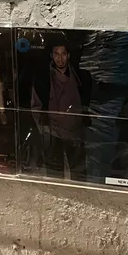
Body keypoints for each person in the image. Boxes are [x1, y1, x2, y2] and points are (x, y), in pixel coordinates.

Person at [31, 39, 91, 180]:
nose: (60, 58)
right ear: (51, 56)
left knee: (79, 174)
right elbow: (36, 106)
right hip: (53, 133)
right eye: (56, 54)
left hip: (75, 132)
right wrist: (45, 128)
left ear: (68, 55)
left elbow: (87, 103)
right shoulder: (42, 79)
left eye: (63, 54)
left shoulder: (81, 77)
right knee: (54, 174)